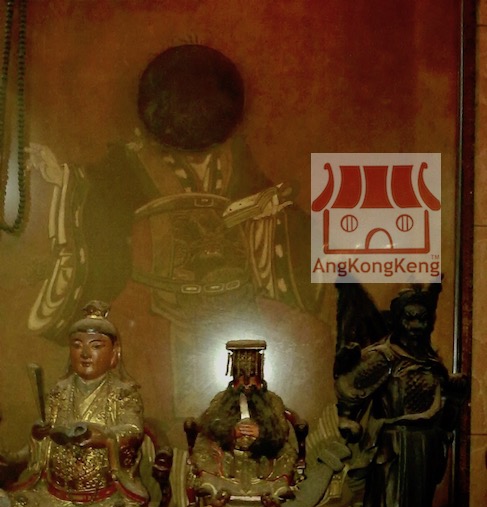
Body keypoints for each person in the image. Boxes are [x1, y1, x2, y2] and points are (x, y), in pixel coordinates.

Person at [26, 43, 326, 445]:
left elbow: (268, 201)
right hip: (160, 310)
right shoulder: (132, 161)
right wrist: (63, 178)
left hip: (233, 307)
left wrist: (272, 208)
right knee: (156, 413)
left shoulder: (235, 158)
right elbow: (96, 194)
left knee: (242, 404)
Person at [2, 300, 151, 507]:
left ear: (114, 353)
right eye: (77, 345)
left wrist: (104, 437)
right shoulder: (58, 392)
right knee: (21, 503)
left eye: (96, 346)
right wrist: (39, 436)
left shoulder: (124, 393)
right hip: (54, 492)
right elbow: (42, 436)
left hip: (105, 493)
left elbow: (133, 430)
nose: (85, 354)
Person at [333, 284, 467, 507]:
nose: (416, 326)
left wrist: (454, 396)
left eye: (422, 319)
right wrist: (347, 418)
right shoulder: (384, 357)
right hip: (393, 447)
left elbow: (444, 414)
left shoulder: (431, 360)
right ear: (397, 321)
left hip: (424, 448)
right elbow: (351, 389)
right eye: (409, 318)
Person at [186, 340, 302, 507]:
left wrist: (261, 433)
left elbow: (282, 430)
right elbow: (210, 424)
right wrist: (230, 432)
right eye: (241, 378)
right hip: (228, 454)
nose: (246, 384)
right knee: (204, 445)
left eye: (252, 378)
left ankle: (275, 493)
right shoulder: (221, 399)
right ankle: (212, 489)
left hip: (263, 455)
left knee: (286, 451)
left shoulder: (272, 400)